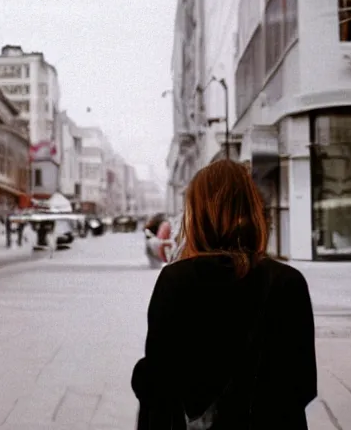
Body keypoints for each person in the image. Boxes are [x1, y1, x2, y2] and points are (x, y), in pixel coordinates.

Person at [132, 160, 317, 429]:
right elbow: (302, 385)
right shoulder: (288, 282)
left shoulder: (176, 280)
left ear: (196, 216)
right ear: (254, 211)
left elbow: (159, 387)